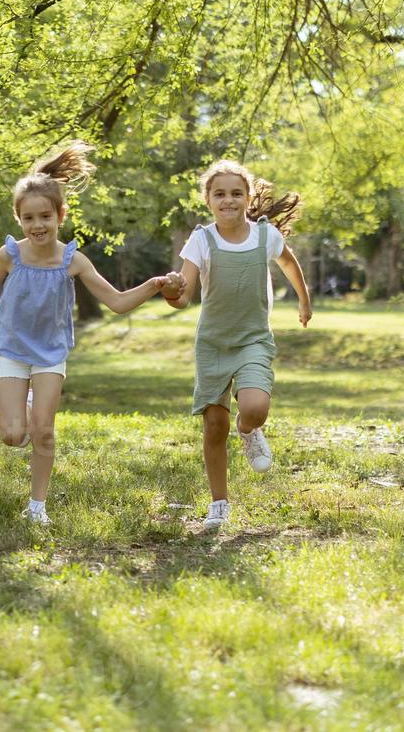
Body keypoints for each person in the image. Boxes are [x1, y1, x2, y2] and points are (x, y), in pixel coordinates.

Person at [0, 142, 167, 526]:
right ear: (19, 220)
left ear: (60, 214)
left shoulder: (72, 260)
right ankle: (24, 408)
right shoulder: (9, 255)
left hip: (49, 353)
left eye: (45, 216)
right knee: (12, 435)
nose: (38, 225)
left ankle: (37, 506)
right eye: (29, 218)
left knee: (43, 432)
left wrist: (154, 285)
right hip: (12, 346)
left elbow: (117, 301)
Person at [160, 159, 312, 530]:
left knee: (255, 407)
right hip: (212, 342)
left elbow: (289, 263)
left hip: (252, 339)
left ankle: (249, 430)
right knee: (214, 426)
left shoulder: (265, 236)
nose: (228, 200)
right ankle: (219, 503)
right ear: (208, 200)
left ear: (247, 197)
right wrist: (171, 293)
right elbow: (185, 295)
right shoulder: (201, 239)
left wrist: (304, 300)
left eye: (236, 193)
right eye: (220, 194)